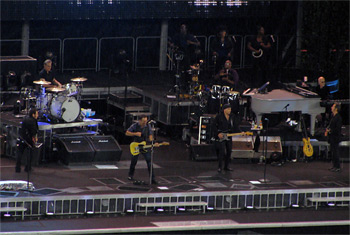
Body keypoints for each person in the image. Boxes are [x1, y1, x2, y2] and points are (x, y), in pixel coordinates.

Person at [125, 115, 159, 184]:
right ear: (139, 120)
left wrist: (153, 141)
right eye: (143, 121)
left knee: (149, 161)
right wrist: (135, 134)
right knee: (134, 161)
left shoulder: (148, 126)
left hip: (144, 145)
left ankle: (152, 178)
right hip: (136, 145)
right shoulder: (135, 125)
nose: (145, 123)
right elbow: (127, 133)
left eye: (146, 121)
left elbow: (150, 135)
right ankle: (130, 175)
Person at [212, 104, 242, 172]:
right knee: (222, 151)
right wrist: (217, 133)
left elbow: (235, 126)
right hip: (222, 135)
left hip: (229, 135)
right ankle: (220, 166)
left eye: (230, 109)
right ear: (224, 110)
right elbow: (213, 126)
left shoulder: (232, 117)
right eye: (228, 109)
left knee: (229, 151)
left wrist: (241, 132)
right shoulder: (219, 116)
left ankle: (226, 166)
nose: (230, 110)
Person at [15, 108, 39, 173]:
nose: (38, 115)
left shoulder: (25, 119)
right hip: (29, 140)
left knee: (20, 153)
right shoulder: (33, 121)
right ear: (33, 114)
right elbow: (34, 131)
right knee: (30, 154)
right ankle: (28, 168)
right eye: (37, 114)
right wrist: (34, 138)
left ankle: (17, 168)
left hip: (22, 138)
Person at [325, 103, 342, 172]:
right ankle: (334, 166)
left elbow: (337, 129)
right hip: (332, 137)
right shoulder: (333, 117)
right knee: (333, 151)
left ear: (336, 109)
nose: (331, 107)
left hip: (335, 137)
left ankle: (337, 166)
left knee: (335, 152)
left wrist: (330, 130)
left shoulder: (338, 117)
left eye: (333, 106)